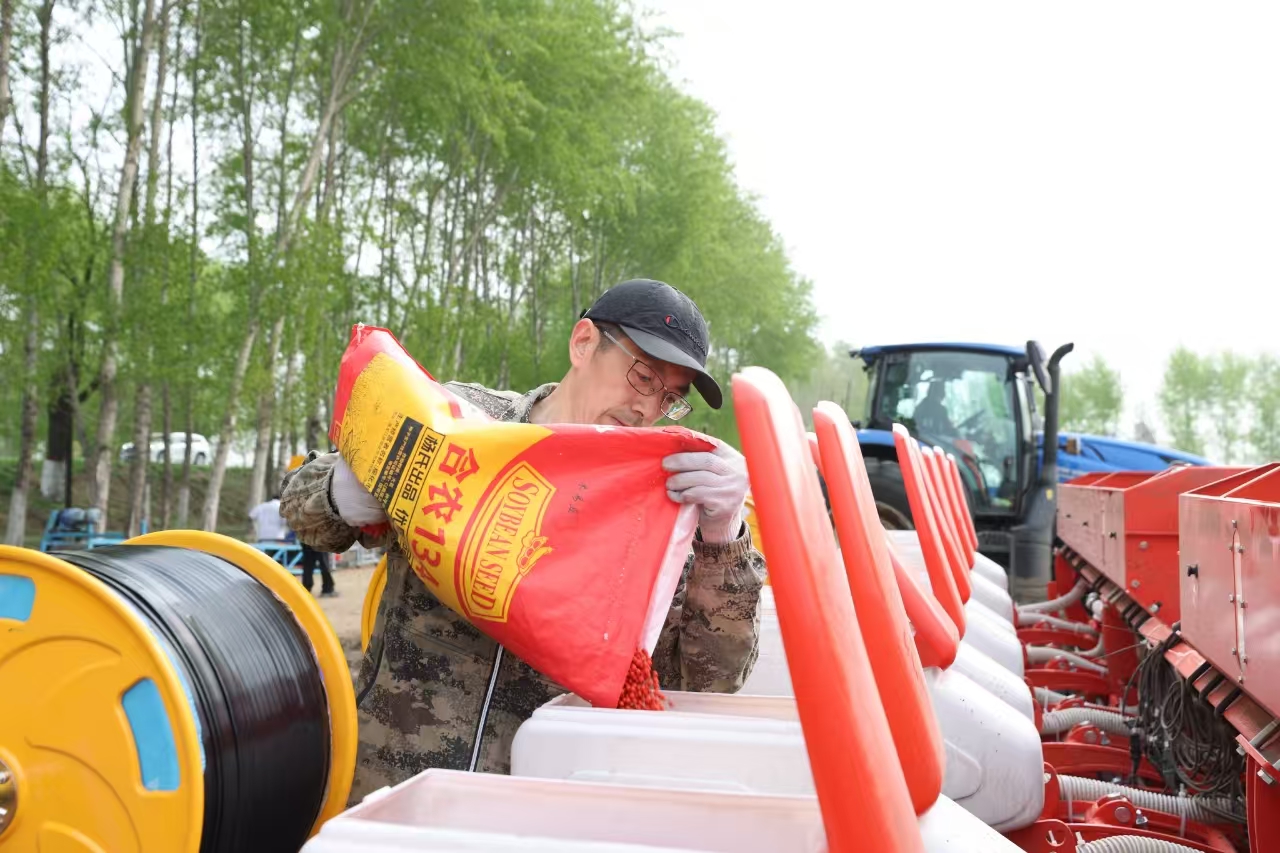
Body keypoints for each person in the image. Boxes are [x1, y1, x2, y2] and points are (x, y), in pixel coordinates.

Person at [280, 278, 766, 803]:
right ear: (584, 343)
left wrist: (724, 539)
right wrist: (342, 491)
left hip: (536, 804)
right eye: (644, 376)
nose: (647, 409)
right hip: (393, 782)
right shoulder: (466, 422)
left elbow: (705, 684)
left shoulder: (662, 503)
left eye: (670, 398)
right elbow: (303, 515)